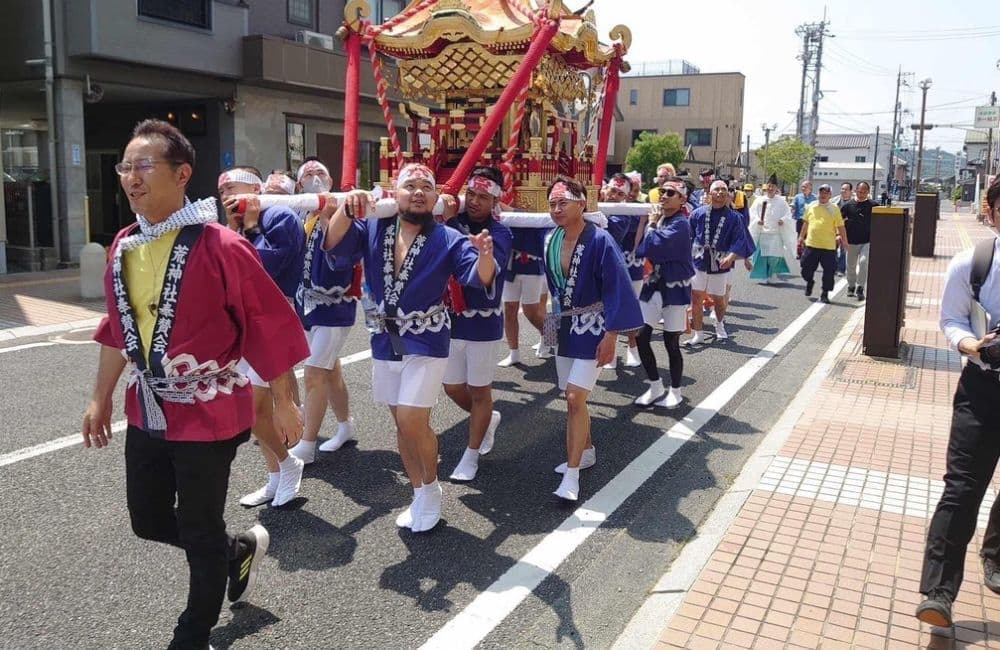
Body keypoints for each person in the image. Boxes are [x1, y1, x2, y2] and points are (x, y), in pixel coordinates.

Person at [81, 119, 307, 649]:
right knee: (148, 519)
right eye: (125, 167)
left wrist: (284, 401)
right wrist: (100, 397)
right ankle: (234, 550)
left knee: (199, 525)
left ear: (182, 174)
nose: (131, 178)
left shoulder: (221, 245)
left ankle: (193, 632)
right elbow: (117, 328)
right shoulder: (124, 244)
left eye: (143, 166)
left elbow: (266, 322)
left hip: (209, 409)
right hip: (149, 406)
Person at [322, 163, 495, 533]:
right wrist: (346, 208)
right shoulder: (375, 226)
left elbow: (478, 276)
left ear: (435, 198)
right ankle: (418, 492)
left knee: (412, 419)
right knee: (400, 424)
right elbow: (335, 245)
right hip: (384, 337)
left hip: (427, 338)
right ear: (395, 192)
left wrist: (484, 256)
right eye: (410, 185)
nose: (418, 192)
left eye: (426, 187)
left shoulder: (448, 238)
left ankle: (431, 489)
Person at [917, 178, 1000, 628]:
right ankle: (939, 592)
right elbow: (951, 319)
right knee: (962, 487)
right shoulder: (974, 264)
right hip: (983, 389)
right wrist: (973, 345)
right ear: (991, 212)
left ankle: (995, 555)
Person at [537, 176, 643, 501]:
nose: (556, 209)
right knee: (570, 397)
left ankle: (572, 476)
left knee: (574, 397)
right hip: (564, 325)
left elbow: (617, 287)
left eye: (563, 202)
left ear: (582, 204)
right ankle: (586, 451)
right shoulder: (550, 239)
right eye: (552, 204)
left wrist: (612, 335)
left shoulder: (600, 240)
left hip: (594, 327)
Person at [218, 166, 308, 507]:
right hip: (242, 323)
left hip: (272, 318)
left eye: (233, 188)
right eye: (222, 191)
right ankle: (277, 473)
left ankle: (287, 465)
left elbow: (263, 268)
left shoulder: (281, 216)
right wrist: (235, 227)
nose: (226, 195)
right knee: (250, 408)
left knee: (256, 404)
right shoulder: (234, 223)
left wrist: (252, 227)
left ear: (255, 189)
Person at [442, 167, 512, 481]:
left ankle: (470, 456)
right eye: (470, 194)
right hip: (451, 319)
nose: (474, 201)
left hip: (483, 323)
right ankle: (487, 418)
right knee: (452, 386)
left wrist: (454, 228)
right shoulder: (451, 220)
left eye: (483, 196)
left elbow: (485, 273)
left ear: (495, 200)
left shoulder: (501, 233)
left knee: (480, 390)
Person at [288, 158, 360, 466]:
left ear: (330, 182)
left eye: (321, 172)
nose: (315, 176)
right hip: (305, 304)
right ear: (299, 184)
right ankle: (345, 425)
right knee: (330, 371)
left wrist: (331, 214)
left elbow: (342, 252)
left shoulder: (342, 208)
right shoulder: (298, 213)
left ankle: (307, 444)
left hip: (334, 306)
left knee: (314, 373)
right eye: (308, 173)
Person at [633, 176, 694, 408]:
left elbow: (657, 247)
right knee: (640, 335)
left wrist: (651, 225)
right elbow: (643, 250)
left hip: (675, 287)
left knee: (671, 341)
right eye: (662, 192)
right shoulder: (660, 220)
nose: (664, 196)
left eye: (670, 193)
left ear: (682, 199)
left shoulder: (681, 224)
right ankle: (655, 385)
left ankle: (676, 390)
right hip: (654, 284)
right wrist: (651, 225)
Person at [686, 180, 756, 345]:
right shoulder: (697, 213)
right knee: (696, 297)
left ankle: (719, 324)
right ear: (710, 193)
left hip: (720, 262)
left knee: (719, 298)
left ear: (728, 194)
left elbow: (740, 240)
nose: (720, 192)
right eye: (717, 189)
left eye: (724, 189)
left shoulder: (735, 217)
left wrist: (731, 257)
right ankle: (698, 333)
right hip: (699, 261)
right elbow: (689, 236)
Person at [604, 173, 646, 368]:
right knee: (604, 309)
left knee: (629, 306)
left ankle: (632, 347)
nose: (614, 195)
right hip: (605, 264)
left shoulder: (630, 211)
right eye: (612, 190)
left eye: (620, 193)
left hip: (631, 262)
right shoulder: (595, 205)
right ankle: (608, 352)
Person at [499, 217, 549, 366]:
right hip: (510, 268)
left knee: (531, 311)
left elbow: (542, 241)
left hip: (533, 267)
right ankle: (513, 353)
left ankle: (550, 336)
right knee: (509, 310)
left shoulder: (539, 215)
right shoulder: (506, 214)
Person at [798, 183, 848, 304]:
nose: (823, 195)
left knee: (829, 271)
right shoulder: (811, 206)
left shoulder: (834, 208)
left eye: (826, 193)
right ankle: (809, 281)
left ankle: (825, 293)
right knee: (805, 268)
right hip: (812, 244)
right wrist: (801, 237)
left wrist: (844, 241)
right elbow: (806, 223)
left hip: (828, 246)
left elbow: (840, 226)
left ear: (830, 195)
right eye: (821, 192)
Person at [747, 174, 796, 284]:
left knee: (774, 256)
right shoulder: (759, 200)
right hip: (763, 232)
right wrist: (757, 220)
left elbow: (788, 214)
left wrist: (783, 220)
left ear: (776, 188)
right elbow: (752, 214)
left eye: (773, 186)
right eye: (769, 186)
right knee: (762, 256)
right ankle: (763, 276)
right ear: (766, 187)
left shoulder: (782, 202)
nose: (770, 188)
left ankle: (772, 275)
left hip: (776, 233)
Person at [842, 180, 876, 301]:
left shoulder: (874, 205)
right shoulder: (848, 205)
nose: (861, 194)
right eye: (859, 192)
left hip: (867, 241)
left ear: (868, 192)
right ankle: (851, 286)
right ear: (855, 191)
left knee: (863, 262)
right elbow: (839, 221)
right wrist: (840, 235)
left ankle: (860, 287)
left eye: (864, 192)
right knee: (850, 266)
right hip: (851, 241)